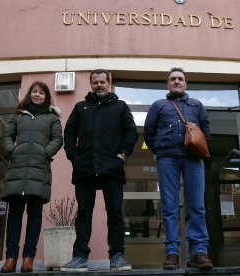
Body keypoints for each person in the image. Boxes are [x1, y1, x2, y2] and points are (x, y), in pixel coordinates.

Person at [61, 69, 138, 272]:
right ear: (91, 84)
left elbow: (131, 132)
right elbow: (68, 133)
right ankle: (79, 258)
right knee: (83, 214)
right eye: (95, 82)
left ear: (109, 83)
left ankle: (117, 257)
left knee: (115, 214)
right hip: (84, 169)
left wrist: (122, 155)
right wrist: (74, 158)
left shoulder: (120, 107)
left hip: (112, 169)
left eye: (102, 81)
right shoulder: (81, 107)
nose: (99, 85)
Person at [144, 67, 213, 270]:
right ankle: (172, 253)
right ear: (168, 83)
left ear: (186, 84)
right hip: (167, 160)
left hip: (193, 159)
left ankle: (199, 252)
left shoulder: (197, 105)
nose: (176, 81)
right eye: (173, 79)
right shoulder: (159, 105)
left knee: (197, 206)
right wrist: (161, 151)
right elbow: (149, 133)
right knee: (169, 207)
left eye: (180, 79)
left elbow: (206, 133)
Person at [0, 81, 63, 273]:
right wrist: (12, 151)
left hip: (39, 170)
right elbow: (7, 136)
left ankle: (28, 258)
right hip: (17, 170)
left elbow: (57, 139)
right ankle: (10, 259)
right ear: (29, 94)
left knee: (34, 216)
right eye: (34, 91)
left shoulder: (52, 118)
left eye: (41, 92)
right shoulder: (18, 116)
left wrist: (45, 152)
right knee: (14, 216)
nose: (37, 95)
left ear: (46, 96)